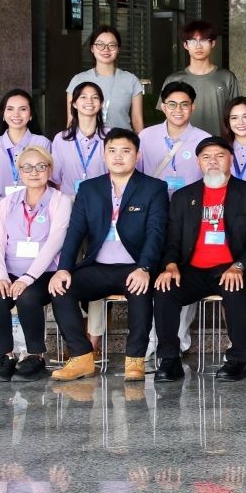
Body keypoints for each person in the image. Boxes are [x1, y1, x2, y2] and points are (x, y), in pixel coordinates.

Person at [47, 130, 168, 383]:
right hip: (98, 266)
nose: (118, 156)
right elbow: (75, 231)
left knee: (140, 290)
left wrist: (145, 268)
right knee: (61, 289)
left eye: (126, 151)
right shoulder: (89, 189)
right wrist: (63, 268)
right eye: (112, 151)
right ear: (104, 155)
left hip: (135, 266)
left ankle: (135, 359)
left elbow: (156, 232)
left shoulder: (154, 188)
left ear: (137, 155)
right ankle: (81, 356)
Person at [153, 137, 246, 382]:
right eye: (206, 157)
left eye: (219, 155)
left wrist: (239, 266)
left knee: (235, 288)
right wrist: (170, 265)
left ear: (231, 159)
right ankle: (169, 360)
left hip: (235, 267)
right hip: (194, 269)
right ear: (198, 162)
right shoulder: (183, 197)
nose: (213, 161)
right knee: (165, 288)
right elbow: (172, 240)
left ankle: (238, 360)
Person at [0, 143, 70, 381]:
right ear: (20, 172)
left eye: (41, 166)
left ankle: (35, 356)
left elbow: (55, 242)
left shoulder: (60, 200)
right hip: (9, 271)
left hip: (44, 273)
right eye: (27, 167)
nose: (34, 172)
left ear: (49, 170)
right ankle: (5, 357)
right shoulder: (6, 202)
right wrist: (0, 276)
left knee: (27, 297)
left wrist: (28, 278)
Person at [163, 19, 240, 136]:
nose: (198, 46)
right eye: (193, 41)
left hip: (219, 143)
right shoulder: (173, 80)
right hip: (183, 143)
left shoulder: (227, 77)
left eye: (204, 40)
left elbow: (236, 113)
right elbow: (168, 117)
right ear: (185, 45)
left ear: (212, 43)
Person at [66, 25, 145, 132]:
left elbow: (137, 121)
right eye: (100, 44)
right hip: (87, 141)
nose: (106, 49)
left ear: (118, 49)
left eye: (112, 45)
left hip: (122, 140)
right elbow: (71, 120)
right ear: (92, 48)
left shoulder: (131, 80)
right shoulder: (78, 80)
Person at [0, 90, 51, 199]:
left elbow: (48, 182)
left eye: (23, 109)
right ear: (3, 114)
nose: (16, 114)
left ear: (31, 115)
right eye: (10, 109)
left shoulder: (42, 143)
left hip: (35, 207)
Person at [141, 82, 210, 195]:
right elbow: (136, 173)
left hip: (191, 201)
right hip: (153, 201)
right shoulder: (145, 136)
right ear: (163, 107)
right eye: (172, 104)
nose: (178, 110)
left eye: (184, 104)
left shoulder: (204, 139)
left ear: (192, 107)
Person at [50, 81, 108, 194]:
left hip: (103, 200)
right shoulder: (61, 139)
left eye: (95, 97)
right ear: (74, 104)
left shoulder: (111, 136)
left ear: (101, 103)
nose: (89, 101)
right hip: (69, 200)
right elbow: (56, 179)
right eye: (83, 97)